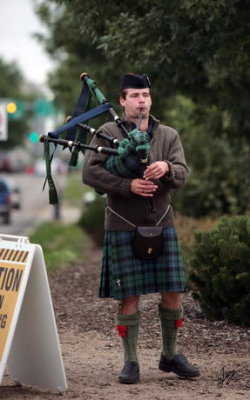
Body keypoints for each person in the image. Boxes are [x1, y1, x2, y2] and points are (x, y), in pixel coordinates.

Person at [82, 73, 200, 384]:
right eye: (134, 95)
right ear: (122, 101)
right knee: (129, 295)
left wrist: (168, 168)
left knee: (173, 292)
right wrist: (126, 184)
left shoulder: (168, 135)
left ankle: (170, 355)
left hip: (162, 224)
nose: (142, 101)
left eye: (145, 94)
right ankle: (131, 361)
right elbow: (90, 173)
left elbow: (183, 173)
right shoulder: (107, 133)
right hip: (123, 224)